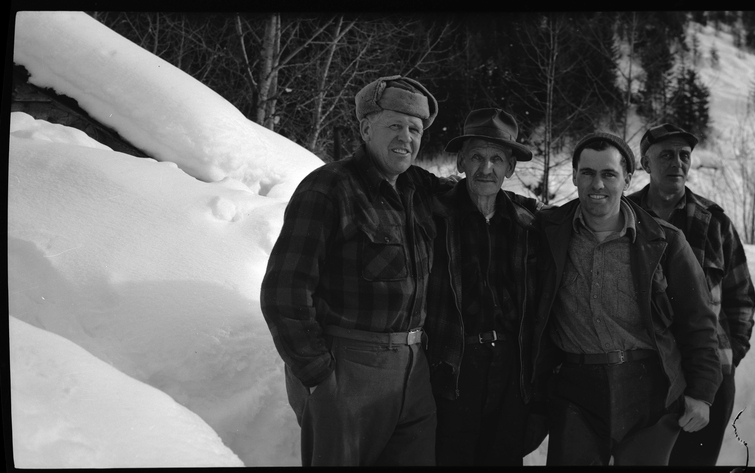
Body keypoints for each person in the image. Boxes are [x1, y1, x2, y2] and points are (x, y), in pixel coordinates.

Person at [261, 75, 445, 466]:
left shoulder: (418, 189)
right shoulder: (329, 188)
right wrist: (318, 377)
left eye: (414, 129)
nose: (406, 137)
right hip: (349, 370)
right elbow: (284, 292)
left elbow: (475, 196)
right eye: (395, 125)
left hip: (414, 372)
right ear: (365, 128)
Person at [529, 131, 722, 466]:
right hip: (575, 392)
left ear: (627, 178)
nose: (597, 185)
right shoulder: (548, 231)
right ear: (574, 176)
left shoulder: (664, 241)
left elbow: (699, 322)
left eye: (608, 174)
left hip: (649, 390)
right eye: (587, 173)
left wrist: (702, 393)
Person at [628, 123, 755, 466]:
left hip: (709, 371)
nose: (677, 163)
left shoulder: (714, 222)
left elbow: (740, 298)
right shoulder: (624, 217)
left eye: (684, 155)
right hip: (646, 368)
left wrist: (727, 360)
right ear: (645, 163)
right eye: (666, 154)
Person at [425, 108, 544, 465]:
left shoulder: (528, 223)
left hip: (511, 368)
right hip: (453, 366)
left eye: (496, 159)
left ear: (510, 167)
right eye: (476, 156)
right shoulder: (432, 214)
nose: (486, 168)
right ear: (460, 162)